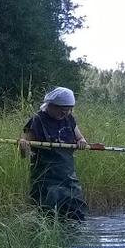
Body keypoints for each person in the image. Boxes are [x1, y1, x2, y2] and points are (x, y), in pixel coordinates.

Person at [18, 87, 89, 221]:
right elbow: (23, 155)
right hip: (46, 180)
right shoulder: (37, 120)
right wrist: (23, 146)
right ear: (51, 105)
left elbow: (80, 138)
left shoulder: (69, 119)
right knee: (48, 218)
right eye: (62, 110)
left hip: (69, 180)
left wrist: (82, 141)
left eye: (69, 110)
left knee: (76, 216)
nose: (65, 113)